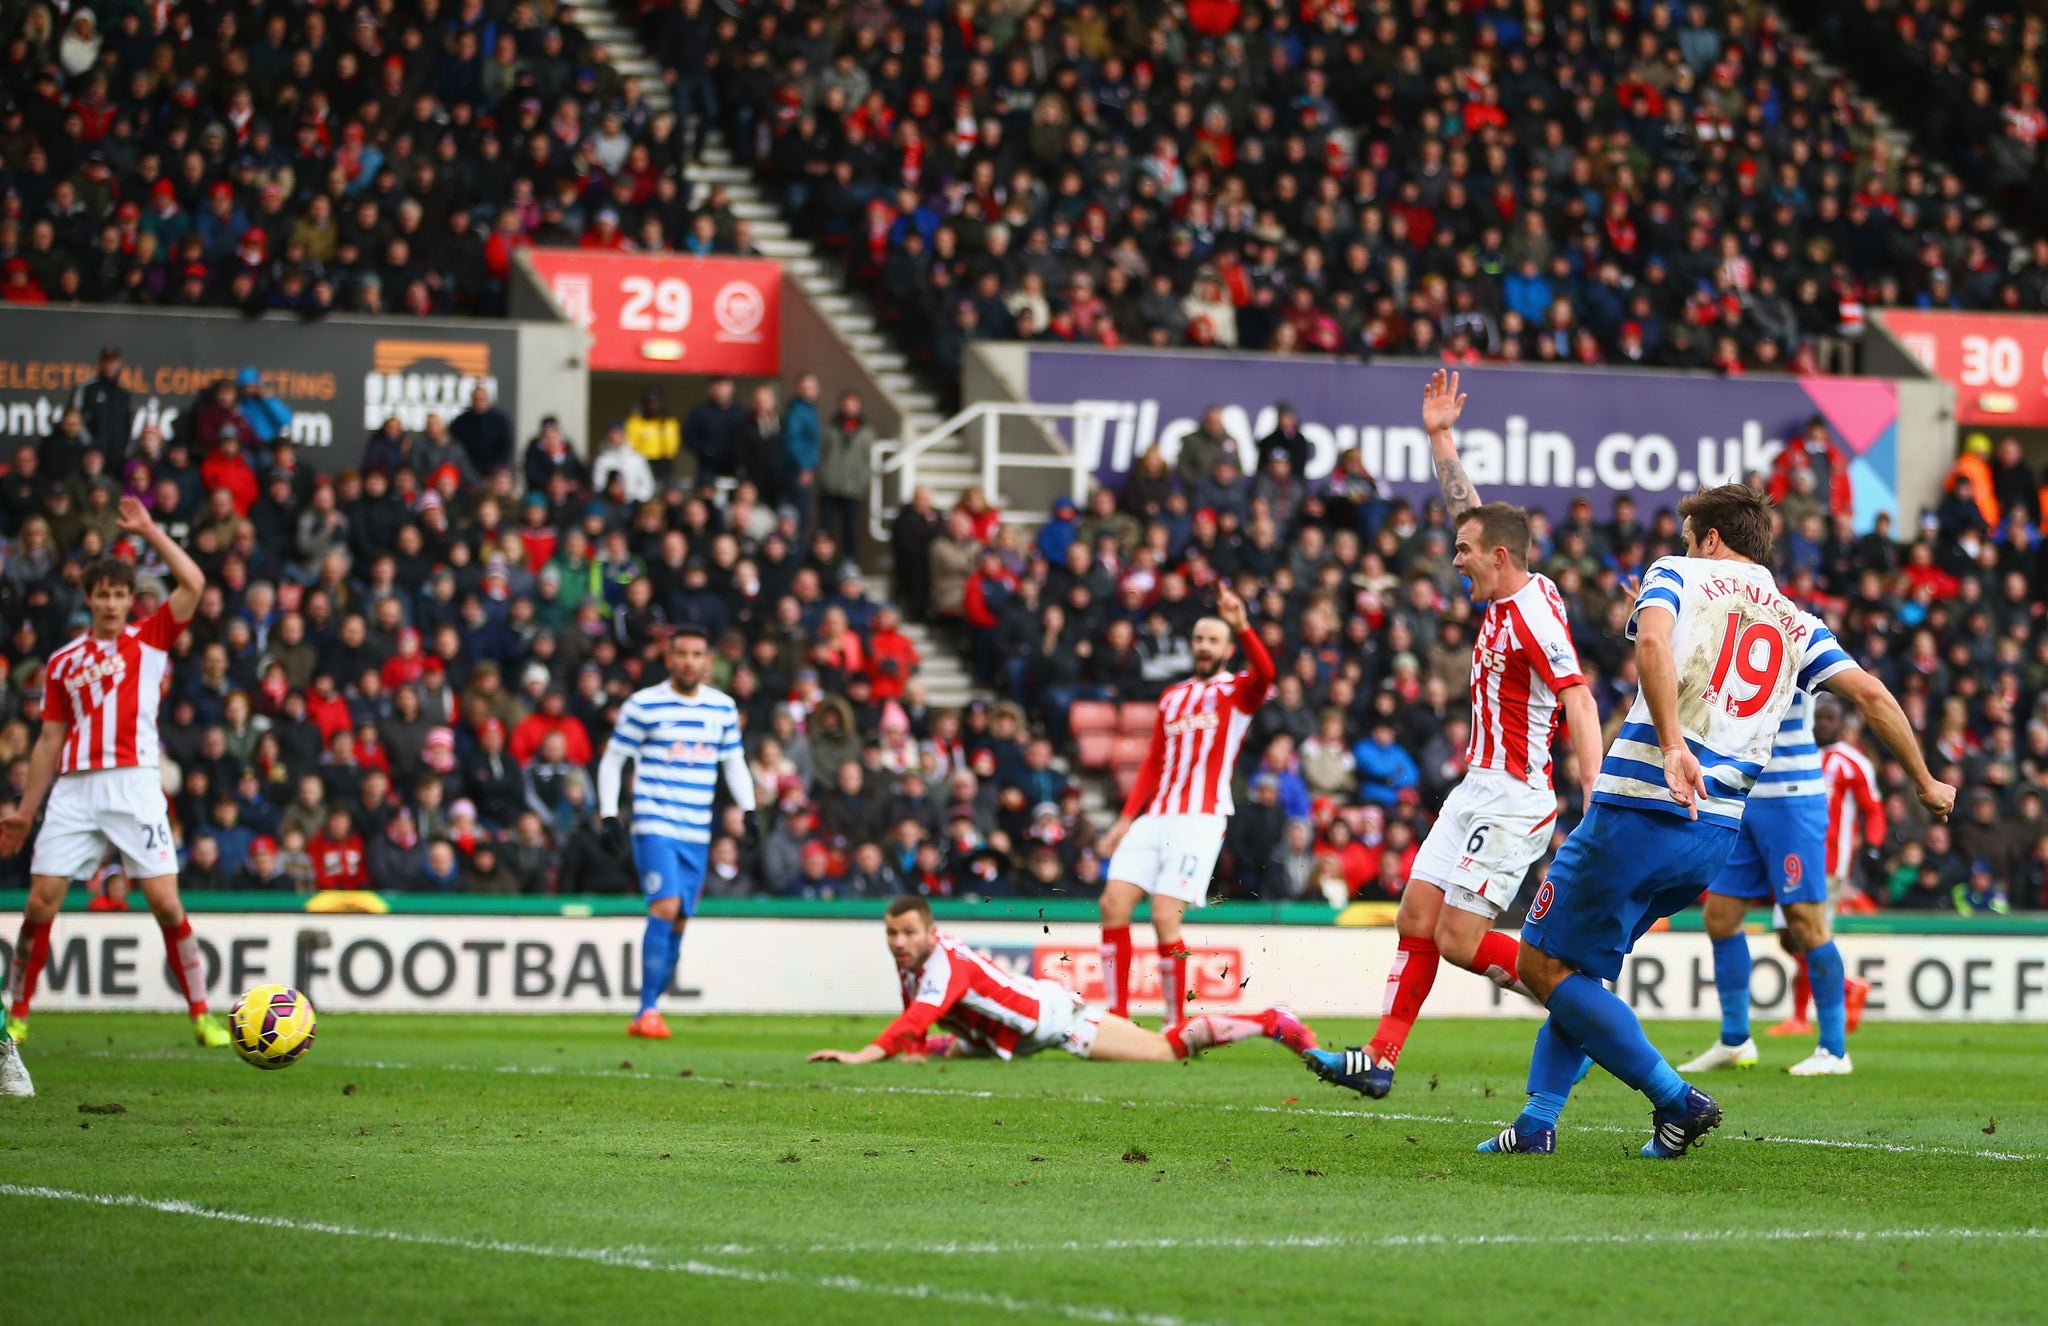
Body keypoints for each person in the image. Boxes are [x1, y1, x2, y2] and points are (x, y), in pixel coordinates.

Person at [1476, 484, 1955, 1157]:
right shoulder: (1796, 620)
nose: (1679, 544)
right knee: (1578, 969)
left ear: (1709, 538)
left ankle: (1677, 1100)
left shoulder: (1679, 575)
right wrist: (1927, 779)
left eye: (1686, 532)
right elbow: (1874, 695)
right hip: (1714, 831)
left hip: (1639, 808)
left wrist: (1672, 745)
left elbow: (1652, 643)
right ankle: (1536, 1123)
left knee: (1540, 963)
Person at [1307, 371, 1603, 1099]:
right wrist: (1441, 436)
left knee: (1459, 941)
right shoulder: (1512, 587)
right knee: (1416, 916)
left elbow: (1580, 698)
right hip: (1477, 787)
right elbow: (1475, 515)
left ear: (1498, 558)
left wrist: (1595, 792)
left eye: (1465, 553)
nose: (1456, 558)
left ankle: (1585, 1009)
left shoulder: (1533, 617)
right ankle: (1379, 1059)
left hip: (1515, 798)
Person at [1, 498, 232, 1048]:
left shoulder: (149, 640)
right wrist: (25, 812)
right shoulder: (62, 662)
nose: (110, 603)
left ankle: (201, 1015)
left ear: (132, 600)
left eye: (119, 594)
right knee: (41, 902)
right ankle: (18, 1016)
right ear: (89, 599)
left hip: (134, 783)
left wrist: (150, 529)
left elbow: (195, 582)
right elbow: (49, 740)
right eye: (102, 594)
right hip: (76, 788)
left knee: (166, 903)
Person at [804, 895, 1317, 1065]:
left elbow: (917, 1015)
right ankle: (951, 1048)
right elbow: (911, 1018)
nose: (898, 941)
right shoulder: (911, 960)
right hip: (1010, 1037)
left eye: (907, 932)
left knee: (1162, 1051)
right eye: (892, 933)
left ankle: (1270, 1020)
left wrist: (865, 1054)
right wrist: (906, 1045)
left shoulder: (943, 963)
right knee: (952, 1044)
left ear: (930, 931)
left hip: (1054, 1021)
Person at [1094, 582, 1272, 1033]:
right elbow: (1153, 762)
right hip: (1156, 817)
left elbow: (1267, 674)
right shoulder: (1172, 696)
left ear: (1228, 648)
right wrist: (1123, 821)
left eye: (1213, 639)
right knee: (1112, 903)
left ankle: (1174, 1022)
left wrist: (1245, 627)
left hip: (1200, 818)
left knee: (1161, 915)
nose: (1204, 646)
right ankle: (1117, 1016)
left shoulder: (1236, 691)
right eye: (1198, 639)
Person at [1678, 692, 1877, 1076]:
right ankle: (1735, 1039)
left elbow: (1863, 688)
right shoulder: (1724, 634)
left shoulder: (1798, 633)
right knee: (1719, 917)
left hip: (1792, 798)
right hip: (1740, 793)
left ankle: (1834, 1050)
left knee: (1805, 923)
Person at [597, 625, 758, 1039]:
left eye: (697, 654)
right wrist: (610, 814)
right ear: (668, 658)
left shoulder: (722, 709)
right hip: (655, 823)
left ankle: (647, 1010)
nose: (689, 661)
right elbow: (614, 760)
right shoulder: (644, 704)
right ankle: (648, 1009)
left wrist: (751, 809)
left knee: (681, 919)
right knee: (665, 908)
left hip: (697, 830)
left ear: (709, 661)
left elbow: (734, 762)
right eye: (681, 653)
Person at [816, 389, 873, 553]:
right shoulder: (830, 428)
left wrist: (861, 481)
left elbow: (868, 460)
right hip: (830, 486)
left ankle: (850, 561)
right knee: (825, 528)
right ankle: (823, 558)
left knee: (851, 529)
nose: (849, 407)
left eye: (853, 404)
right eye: (846, 403)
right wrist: (824, 477)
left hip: (853, 488)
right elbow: (822, 452)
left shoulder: (866, 432)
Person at [71, 343, 131, 473]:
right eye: (106, 361)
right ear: (100, 363)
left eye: (113, 362)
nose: (110, 366)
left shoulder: (124, 394)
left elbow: (129, 425)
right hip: (91, 460)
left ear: (120, 363)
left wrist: (124, 451)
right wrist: (90, 445)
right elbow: (74, 419)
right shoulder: (87, 388)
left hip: (117, 460)